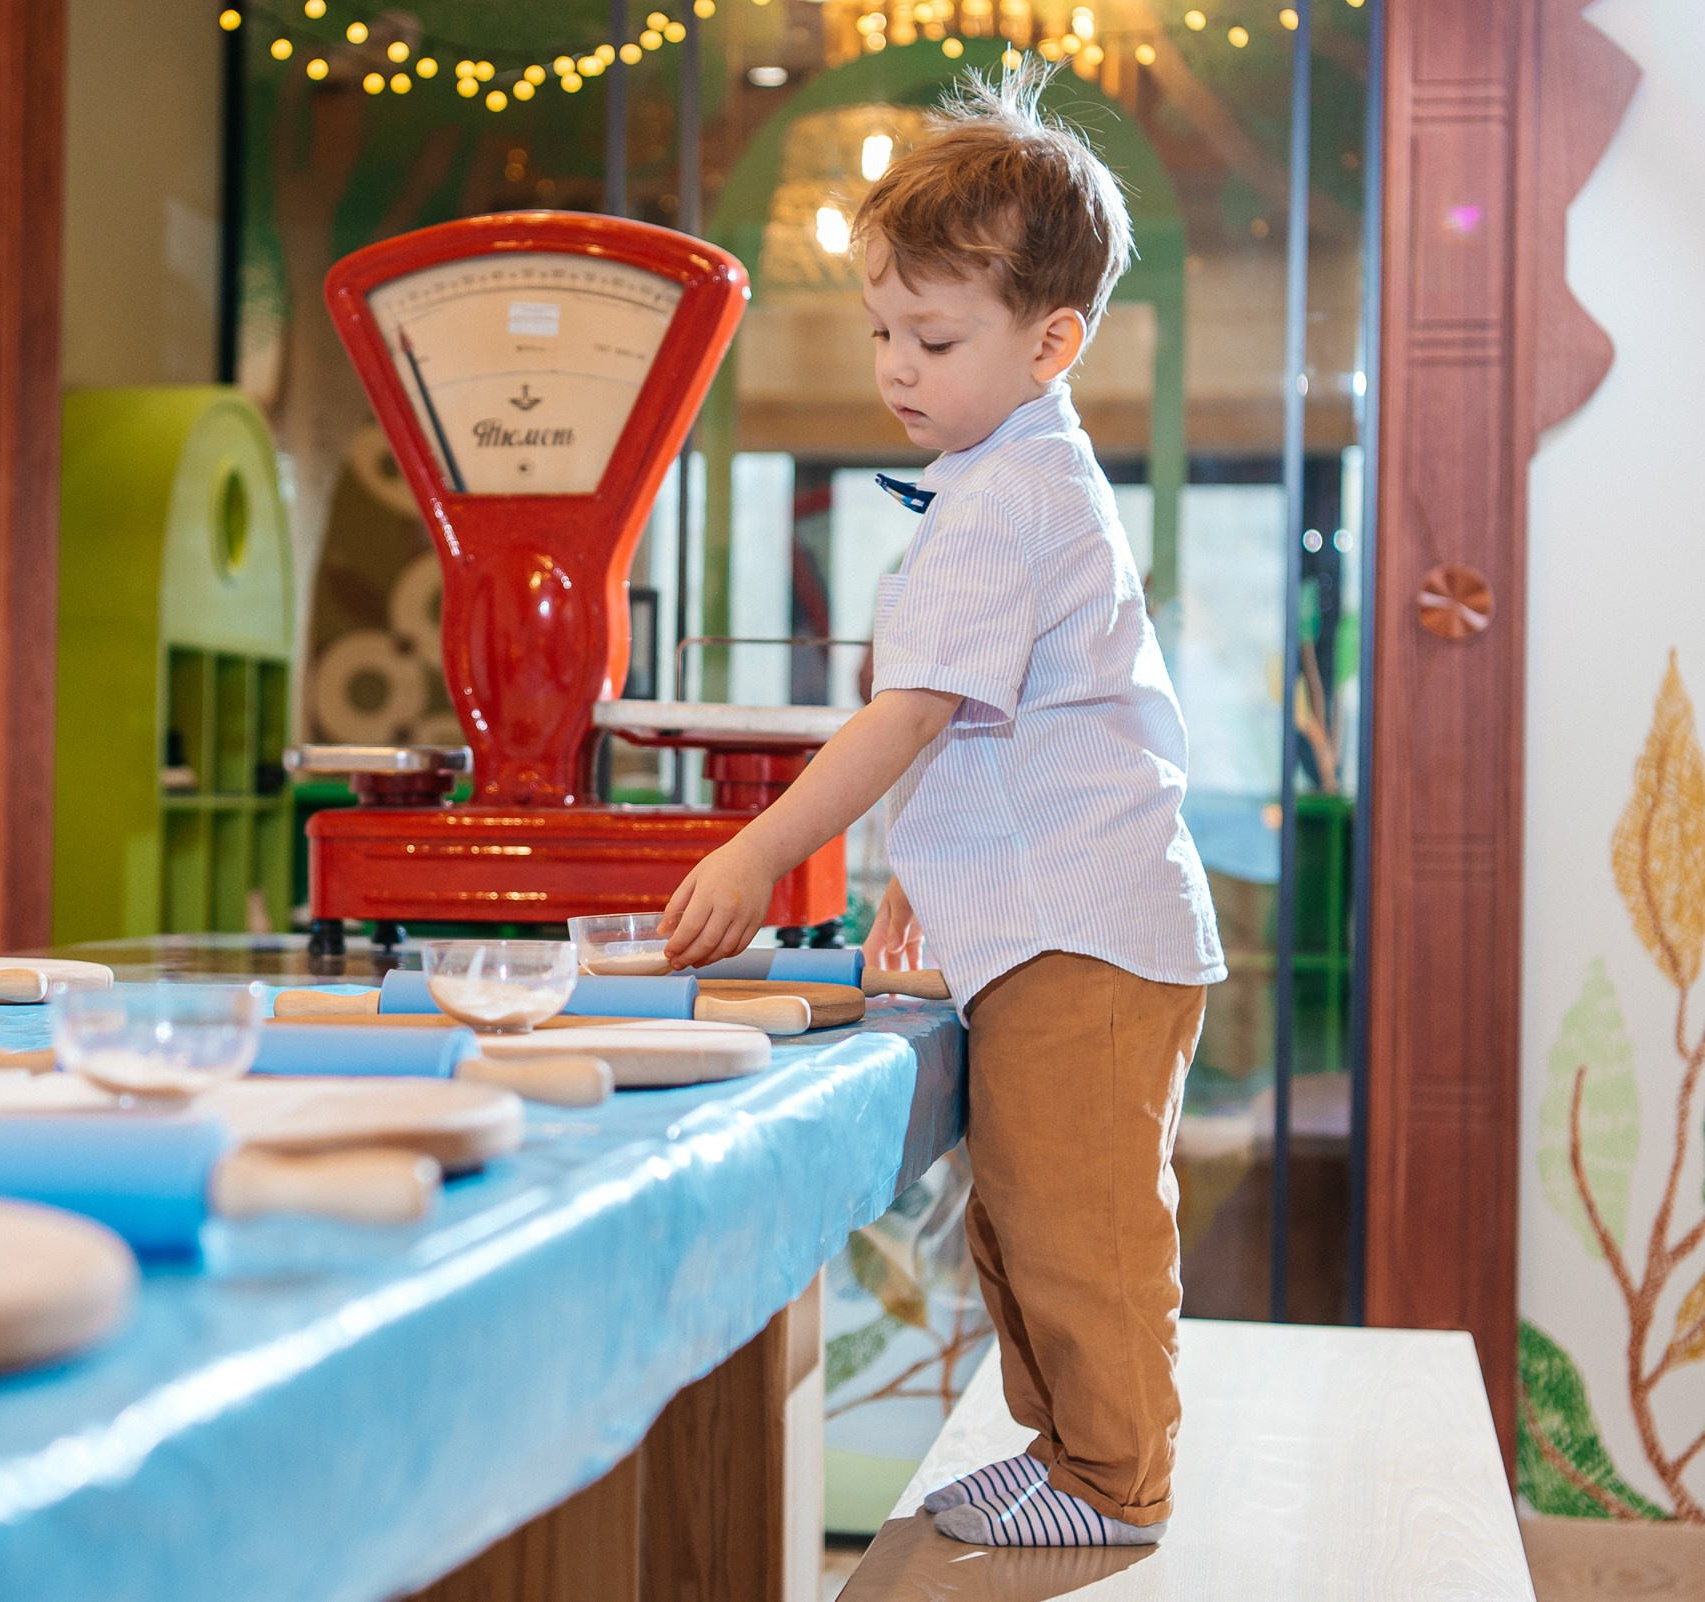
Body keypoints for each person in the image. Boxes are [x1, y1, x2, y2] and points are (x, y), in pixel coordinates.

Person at [657, 62, 1225, 1549]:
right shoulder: (1017, 472)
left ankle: (1115, 1481)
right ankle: (1068, 1450)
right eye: (879, 332)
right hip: (1057, 916)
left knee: (1081, 1216)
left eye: (932, 335)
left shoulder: (1003, 497)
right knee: (1024, 1203)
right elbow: (999, 733)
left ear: (1054, 341)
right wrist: (931, 871)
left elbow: (908, 715)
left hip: (1086, 933)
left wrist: (761, 843)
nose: (894, 366)